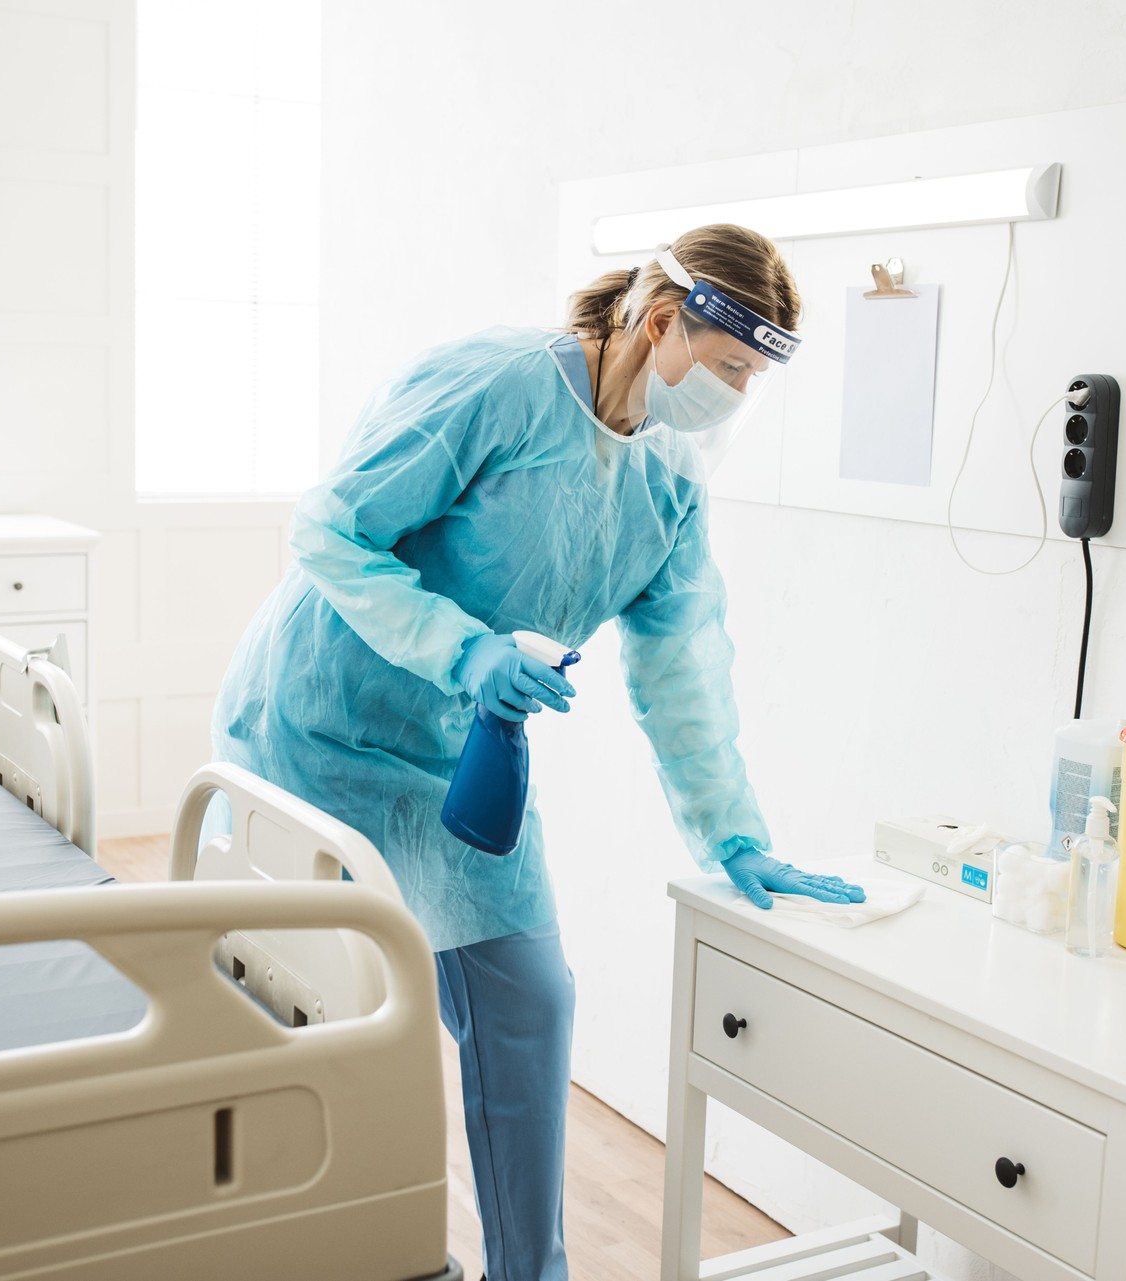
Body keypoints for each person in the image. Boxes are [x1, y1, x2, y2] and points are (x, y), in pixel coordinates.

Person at [208, 223, 865, 1281]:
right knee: (312, 1017)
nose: (739, 396)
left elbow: (681, 664)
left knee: (530, 1001)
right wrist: (462, 651)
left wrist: (732, 829)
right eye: (735, 367)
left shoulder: (669, 478)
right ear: (664, 323)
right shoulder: (498, 386)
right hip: (318, 730)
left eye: (755, 377)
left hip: (460, 765)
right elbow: (332, 530)